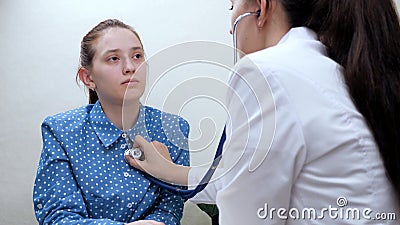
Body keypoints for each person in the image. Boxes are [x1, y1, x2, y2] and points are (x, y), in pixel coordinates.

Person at [125, 0, 400, 224]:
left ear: (262, 8)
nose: (230, 29)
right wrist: (170, 171)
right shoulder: (339, 68)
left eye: (231, 6)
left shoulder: (268, 73)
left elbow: (246, 212)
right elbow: (245, 179)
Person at [33, 19, 190, 225]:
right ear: (88, 77)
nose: (130, 67)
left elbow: (169, 209)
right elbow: (59, 217)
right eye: (114, 58)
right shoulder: (62, 131)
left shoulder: (173, 128)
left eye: (137, 56)